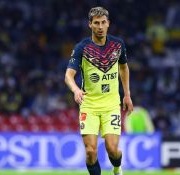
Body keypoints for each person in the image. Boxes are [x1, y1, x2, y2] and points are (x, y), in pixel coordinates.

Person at [65, 6, 133, 175]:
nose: (100, 26)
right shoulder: (82, 48)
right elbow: (68, 75)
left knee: (112, 149)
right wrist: (75, 90)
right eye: (96, 23)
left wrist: (127, 95)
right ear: (90, 25)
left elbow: (124, 68)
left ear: (108, 24)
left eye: (103, 23)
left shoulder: (118, 45)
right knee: (90, 151)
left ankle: (117, 168)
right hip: (89, 105)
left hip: (111, 105)